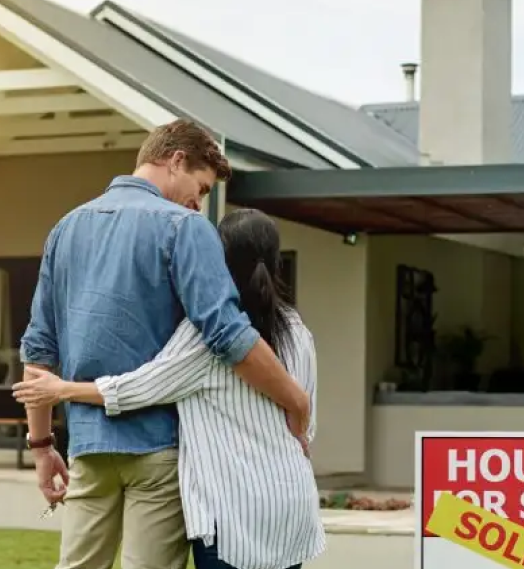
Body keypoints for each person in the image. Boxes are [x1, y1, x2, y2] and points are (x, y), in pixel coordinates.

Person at [17, 119, 312, 569]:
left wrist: (41, 446)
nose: (200, 201)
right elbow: (227, 335)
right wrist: (296, 400)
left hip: (88, 447)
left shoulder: (66, 228)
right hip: (159, 449)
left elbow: (39, 351)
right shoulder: (185, 227)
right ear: (176, 161)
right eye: (202, 185)